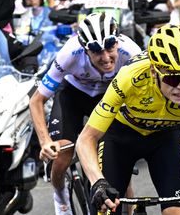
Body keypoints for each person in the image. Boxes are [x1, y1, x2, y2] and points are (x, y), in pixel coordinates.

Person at [76, 24, 180, 215]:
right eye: (172, 79)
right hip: (120, 137)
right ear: (154, 72)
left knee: (177, 212)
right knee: (106, 209)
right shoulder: (130, 78)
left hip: (166, 139)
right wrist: (98, 182)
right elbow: (86, 139)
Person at [29, 12, 141, 215]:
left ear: (117, 41)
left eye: (109, 47)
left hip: (109, 98)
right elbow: (37, 100)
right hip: (73, 96)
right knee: (62, 154)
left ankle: (128, 209)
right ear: (84, 49)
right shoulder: (68, 54)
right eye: (96, 51)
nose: (106, 58)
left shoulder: (131, 52)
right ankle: (60, 194)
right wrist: (45, 142)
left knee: (116, 161)